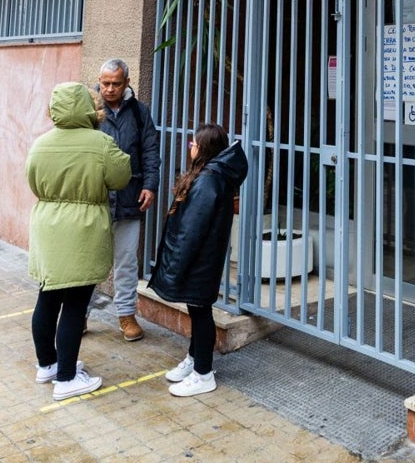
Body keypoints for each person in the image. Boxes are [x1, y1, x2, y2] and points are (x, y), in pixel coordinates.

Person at [26, 81, 131, 402]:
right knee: (75, 304)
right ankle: (67, 378)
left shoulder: (40, 144)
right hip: (83, 232)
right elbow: (120, 177)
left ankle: (48, 364)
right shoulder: (100, 143)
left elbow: (32, 180)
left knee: (48, 297)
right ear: (89, 106)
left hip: (47, 229)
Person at [147, 122, 248, 397]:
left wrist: (179, 263)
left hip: (200, 258)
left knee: (201, 311)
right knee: (197, 309)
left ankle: (203, 374)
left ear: (204, 148)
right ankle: (195, 360)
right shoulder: (210, 175)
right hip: (203, 257)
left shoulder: (208, 180)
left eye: (193, 143)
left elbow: (193, 228)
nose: (190, 146)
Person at [95, 58, 161, 342]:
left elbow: (150, 150)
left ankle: (126, 314)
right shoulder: (90, 111)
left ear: (127, 83)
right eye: (105, 83)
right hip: (94, 200)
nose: (109, 89)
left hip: (129, 198)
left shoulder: (139, 112)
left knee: (126, 262)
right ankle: (79, 315)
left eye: (115, 84)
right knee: (89, 262)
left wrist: (150, 185)